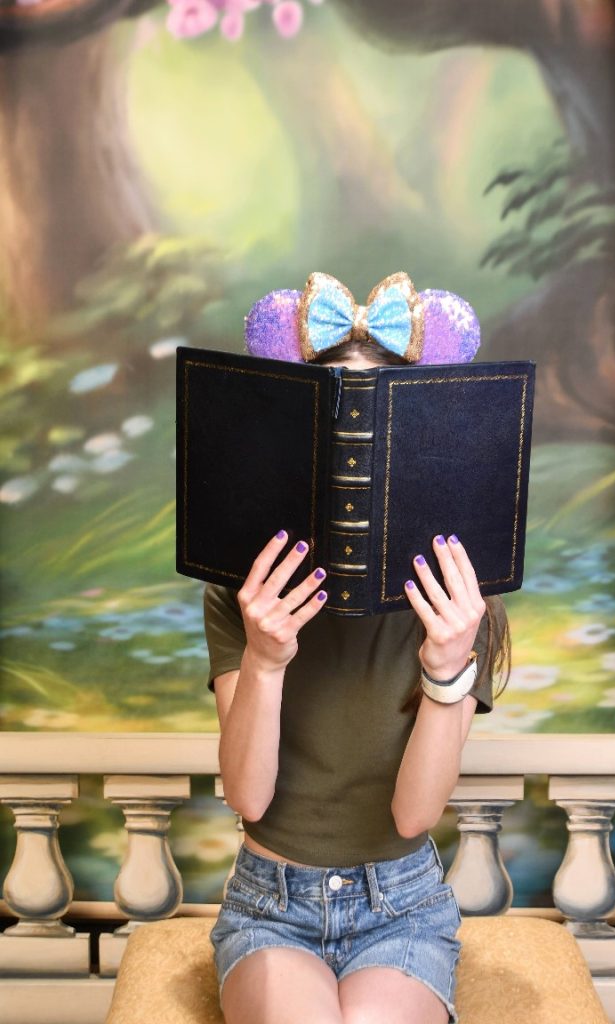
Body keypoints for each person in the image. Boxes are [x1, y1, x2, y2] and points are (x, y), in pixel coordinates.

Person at [204, 275, 511, 1024]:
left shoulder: (461, 607)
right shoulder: (241, 593)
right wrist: (264, 658)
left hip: (402, 908)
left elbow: (413, 816)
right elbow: (248, 799)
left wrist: (445, 667)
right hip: (267, 907)